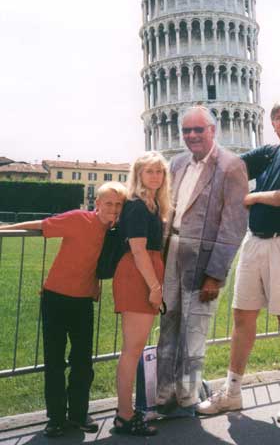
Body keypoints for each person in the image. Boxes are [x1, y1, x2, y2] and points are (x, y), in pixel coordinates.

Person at [198, 100, 280, 422]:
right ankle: (232, 392)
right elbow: (231, 168)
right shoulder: (268, 153)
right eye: (277, 118)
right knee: (242, 316)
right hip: (254, 241)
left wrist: (253, 197)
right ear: (272, 124)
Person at [0, 182, 127, 437]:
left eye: (118, 205)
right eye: (108, 203)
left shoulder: (114, 233)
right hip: (55, 298)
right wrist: (5, 229)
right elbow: (41, 225)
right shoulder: (78, 219)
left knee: (82, 362)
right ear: (97, 204)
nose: (112, 209)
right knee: (55, 360)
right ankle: (56, 418)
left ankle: (79, 414)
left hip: (83, 303)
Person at [156, 106, 249, 417]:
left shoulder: (231, 166)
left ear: (213, 130)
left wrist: (216, 274)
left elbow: (233, 225)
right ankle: (163, 391)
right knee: (167, 324)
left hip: (204, 259)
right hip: (172, 251)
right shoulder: (177, 162)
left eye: (198, 130)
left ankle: (188, 393)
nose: (192, 136)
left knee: (194, 328)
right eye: (187, 131)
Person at [112, 151, 170, 437]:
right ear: (138, 175)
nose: (156, 176)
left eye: (160, 171)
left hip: (143, 273)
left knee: (132, 349)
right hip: (138, 275)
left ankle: (127, 412)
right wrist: (155, 288)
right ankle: (124, 415)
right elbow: (137, 250)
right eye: (150, 171)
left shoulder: (151, 204)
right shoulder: (137, 206)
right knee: (132, 350)